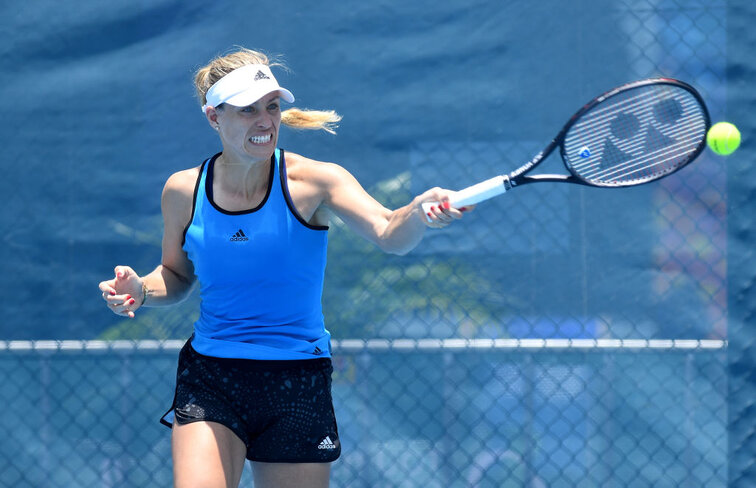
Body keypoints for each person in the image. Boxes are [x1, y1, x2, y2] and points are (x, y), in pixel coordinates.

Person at [98, 47, 471, 488]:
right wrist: (141, 289)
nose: (265, 121)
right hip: (212, 375)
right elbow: (176, 277)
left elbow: (390, 233)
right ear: (213, 117)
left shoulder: (316, 181)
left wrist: (417, 211)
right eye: (247, 110)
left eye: (272, 107)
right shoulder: (183, 190)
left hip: (296, 378)